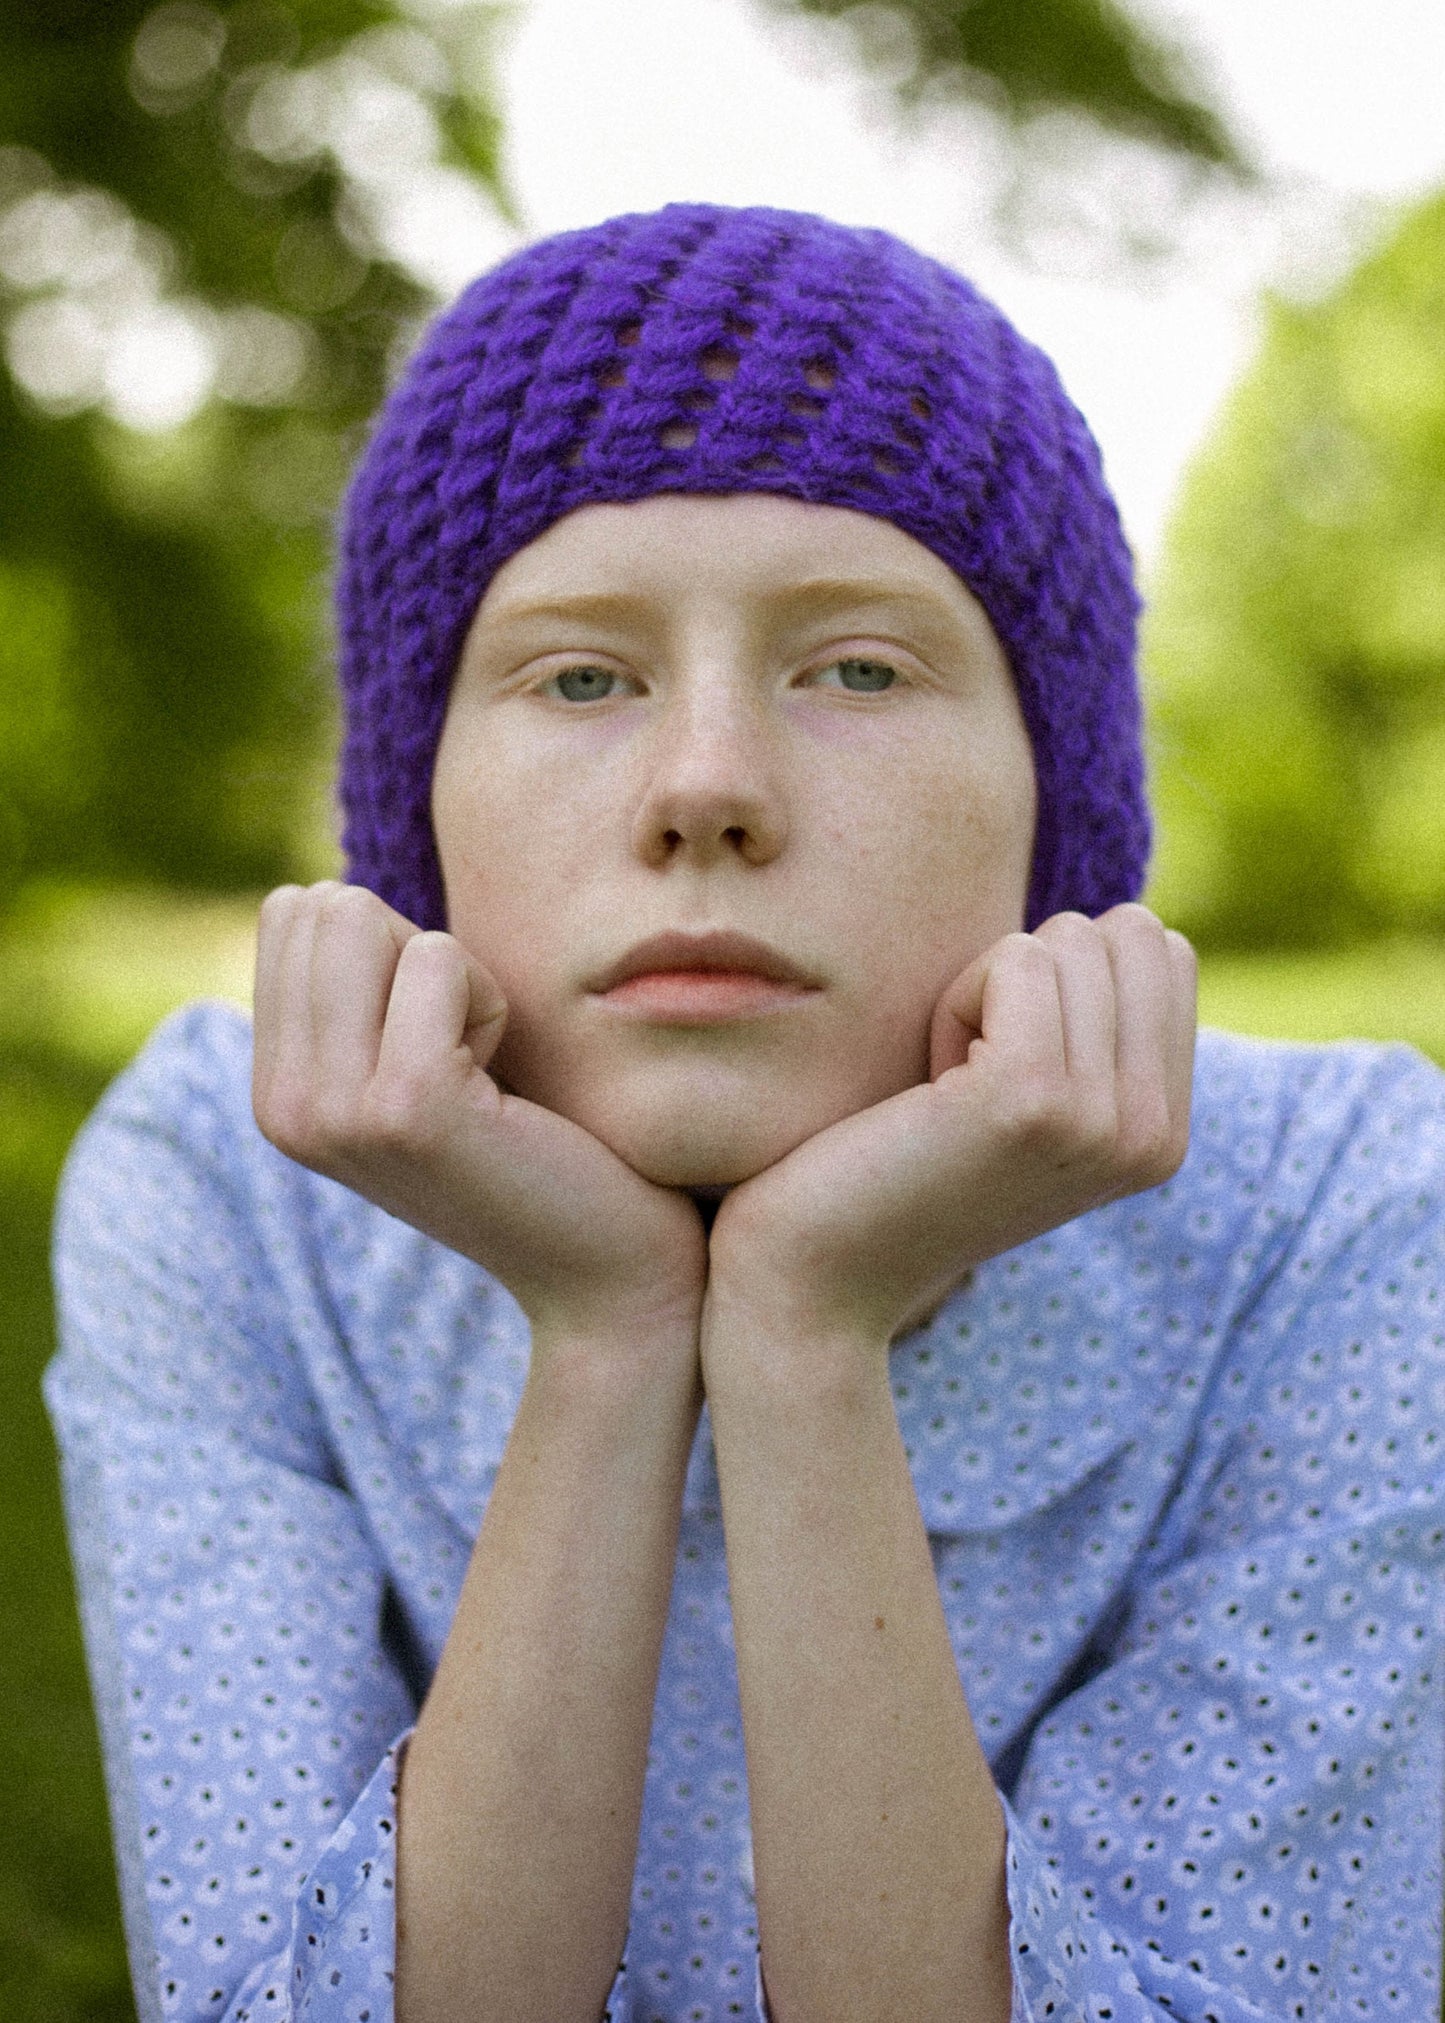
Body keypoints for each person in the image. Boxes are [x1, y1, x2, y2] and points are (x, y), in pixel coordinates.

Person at [47, 204, 1442, 2023]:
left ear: (1053, 808)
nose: (706, 783)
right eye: (580, 675)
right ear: (424, 823)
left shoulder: (1346, 1212)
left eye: (856, 666)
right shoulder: (221, 1197)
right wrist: (611, 1327)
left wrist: (800, 1332)